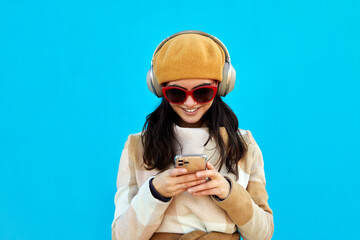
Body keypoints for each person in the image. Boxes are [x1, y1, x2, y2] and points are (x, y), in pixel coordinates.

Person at [111, 30, 274, 240]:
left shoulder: (244, 145)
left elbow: (263, 234)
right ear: (160, 90)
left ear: (220, 86)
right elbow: (121, 237)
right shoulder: (136, 148)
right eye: (176, 93)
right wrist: (155, 192)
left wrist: (229, 192)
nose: (190, 103)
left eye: (202, 92)